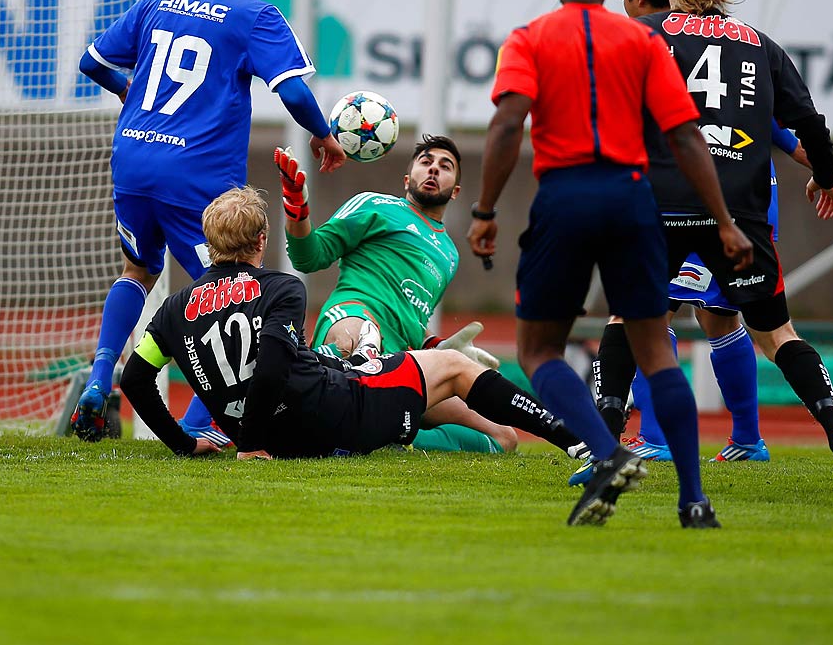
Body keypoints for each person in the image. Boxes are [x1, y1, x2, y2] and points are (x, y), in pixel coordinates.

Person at [116, 189, 628, 521]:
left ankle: (512, 429)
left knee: (387, 360)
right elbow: (272, 359)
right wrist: (250, 443)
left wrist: (185, 445)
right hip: (327, 414)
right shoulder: (281, 289)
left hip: (284, 422)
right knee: (453, 368)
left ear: (209, 243)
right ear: (260, 239)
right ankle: (585, 445)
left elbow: (137, 380)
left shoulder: (173, 310)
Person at [470, 0, 750, 529]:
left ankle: (606, 452)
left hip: (566, 197)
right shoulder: (642, 40)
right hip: (631, 198)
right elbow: (683, 134)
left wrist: (486, 211)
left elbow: (506, 125)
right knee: (655, 351)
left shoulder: (529, 38)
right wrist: (724, 221)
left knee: (538, 348)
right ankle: (694, 500)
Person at [591, 0, 833, 492]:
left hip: (661, 207)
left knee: (629, 320)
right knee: (776, 333)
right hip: (739, 217)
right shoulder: (761, 46)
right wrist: (824, 176)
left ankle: (606, 446)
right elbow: (810, 124)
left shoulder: (642, 35)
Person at [70, 0, 348, 441]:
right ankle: (210, 425)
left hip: (132, 158)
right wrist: (323, 134)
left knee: (137, 271)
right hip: (194, 174)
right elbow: (290, 89)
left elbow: (91, 61)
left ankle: (99, 378)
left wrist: (125, 88)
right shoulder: (254, 14)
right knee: (229, 295)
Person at [278, 133, 525, 454]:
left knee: (505, 437)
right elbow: (308, 257)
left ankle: (391, 438)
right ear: (408, 178)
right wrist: (297, 207)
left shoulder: (449, 254)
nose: (434, 169)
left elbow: (409, 314)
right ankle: (302, 407)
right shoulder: (375, 205)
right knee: (356, 337)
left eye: (445, 166)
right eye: (426, 162)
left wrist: (438, 345)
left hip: (400, 363)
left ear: (456, 191)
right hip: (354, 316)